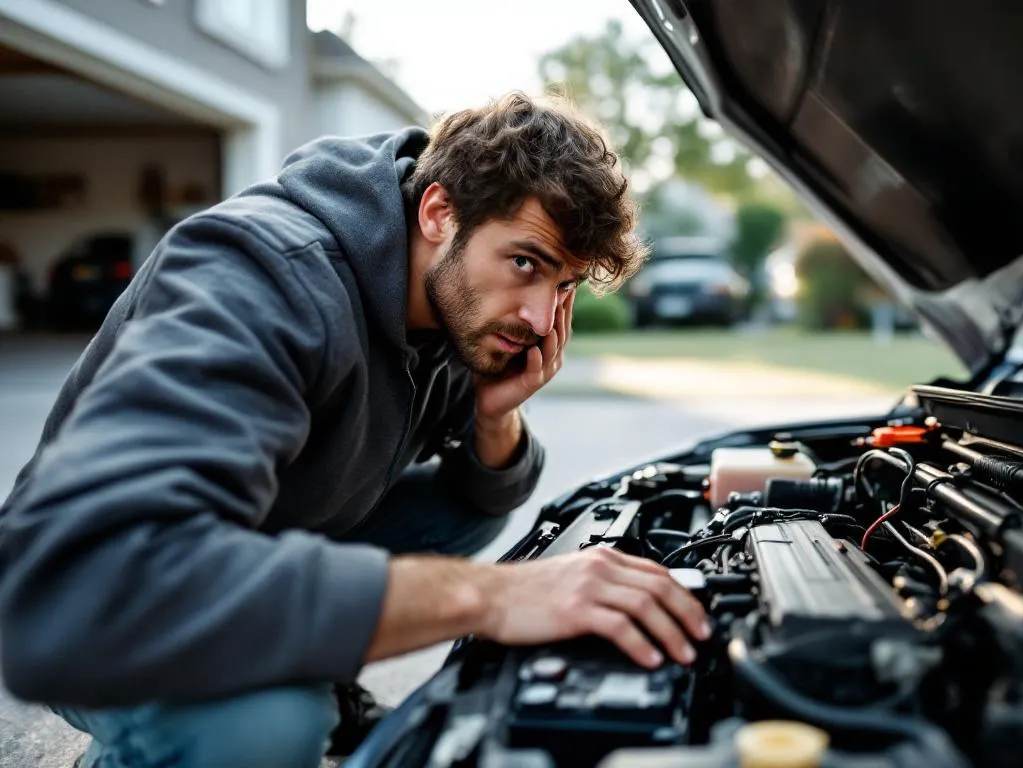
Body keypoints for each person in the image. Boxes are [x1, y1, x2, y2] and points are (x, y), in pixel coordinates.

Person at [0, 92, 711, 767]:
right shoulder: (259, 276)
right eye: (526, 262)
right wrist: (492, 597)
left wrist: (496, 416)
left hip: (261, 544)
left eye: (563, 287)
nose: (536, 317)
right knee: (270, 723)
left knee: (462, 512)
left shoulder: (452, 298)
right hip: (98, 607)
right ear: (439, 211)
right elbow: (98, 573)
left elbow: (483, 498)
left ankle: (302, 655)